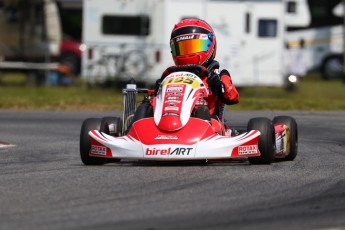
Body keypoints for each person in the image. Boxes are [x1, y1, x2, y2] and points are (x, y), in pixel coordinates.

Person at [131, 18, 239, 129]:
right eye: (182, 48)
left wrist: (220, 85)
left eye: (194, 47)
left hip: (211, 126)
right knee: (146, 105)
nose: (188, 54)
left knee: (202, 110)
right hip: (171, 122)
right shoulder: (171, 76)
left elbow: (233, 97)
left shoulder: (218, 74)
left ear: (210, 45)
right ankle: (136, 131)